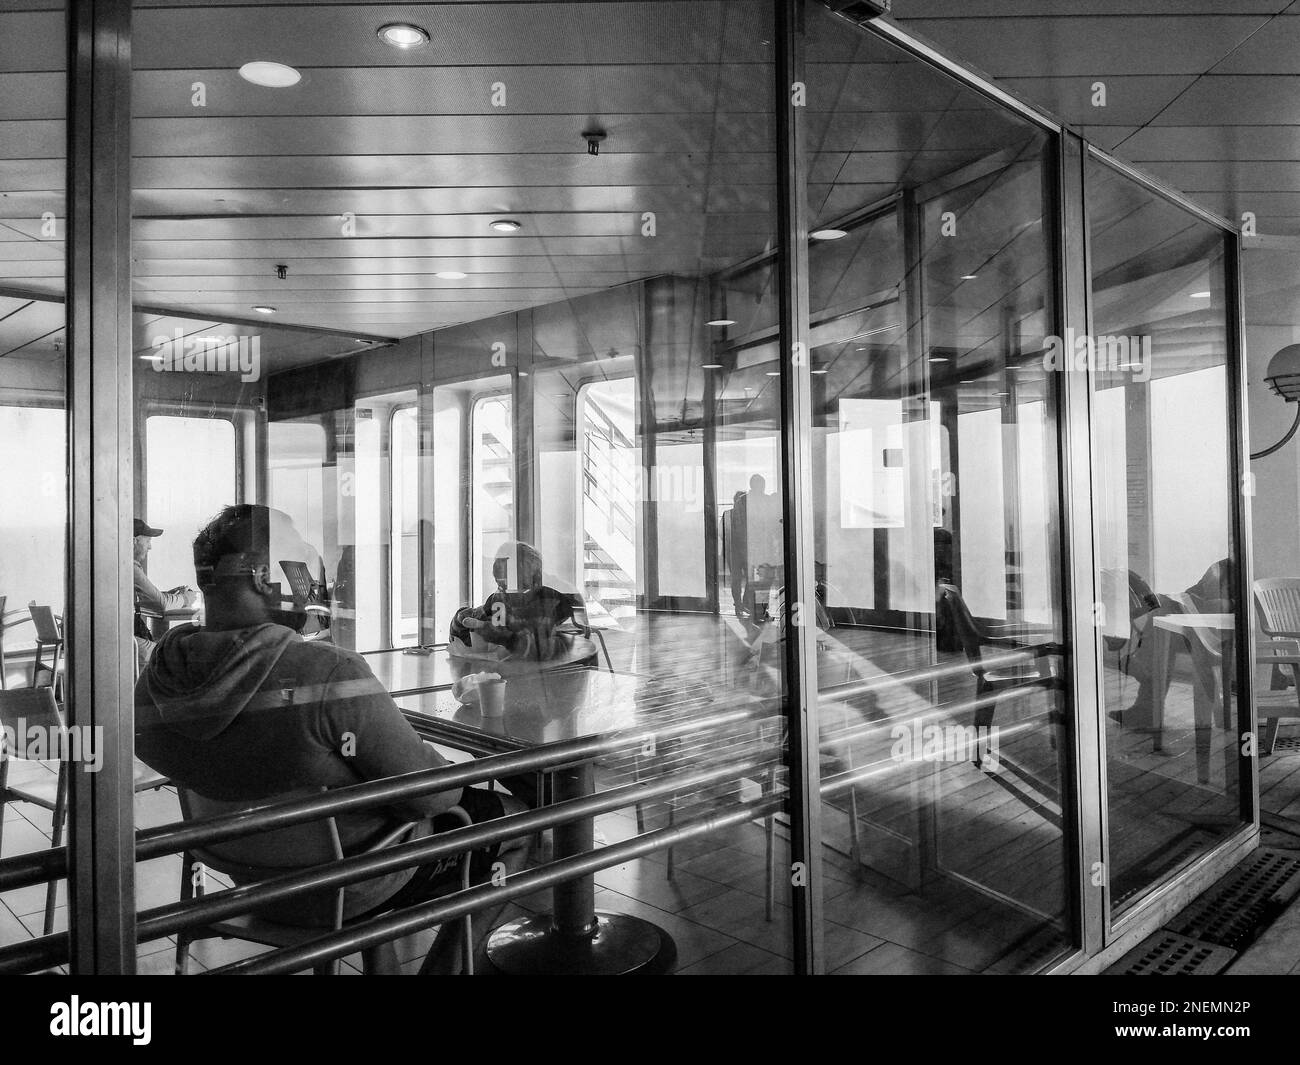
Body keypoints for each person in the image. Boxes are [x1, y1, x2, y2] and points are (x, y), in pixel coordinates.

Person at [135, 504, 529, 972]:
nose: (309, 569)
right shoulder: (326, 673)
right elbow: (431, 797)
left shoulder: (163, 670)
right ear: (265, 577)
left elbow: (157, 749)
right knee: (519, 823)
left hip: (243, 880)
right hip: (354, 881)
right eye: (298, 555)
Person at [132, 517, 198, 639]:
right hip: (132, 643)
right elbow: (162, 604)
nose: (150, 547)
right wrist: (186, 598)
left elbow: (147, 599)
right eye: (147, 541)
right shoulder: (130, 568)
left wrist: (168, 595)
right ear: (134, 541)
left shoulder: (123, 567)